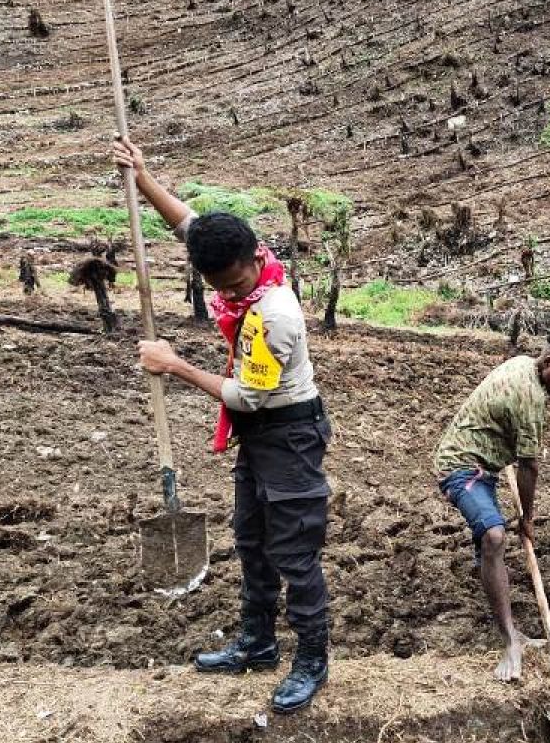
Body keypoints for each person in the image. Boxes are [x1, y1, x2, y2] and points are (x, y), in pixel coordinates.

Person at [113, 138, 332, 713]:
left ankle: (312, 659)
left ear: (258, 261)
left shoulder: (276, 315)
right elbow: (188, 223)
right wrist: (142, 177)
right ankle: (257, 643)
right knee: (251, 540)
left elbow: (247, 397)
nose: (229, 294)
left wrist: (175, 364)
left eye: (235, 286)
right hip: (258, 437)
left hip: (288, 430)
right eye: (218, 288)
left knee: (294, 552)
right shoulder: (228, 246)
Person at [433, 327, 550, 681]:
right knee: (493, 536)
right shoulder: (530, 398)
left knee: (488, 539)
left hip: (485, 466)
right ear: (548, 361)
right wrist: (527, 518)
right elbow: (529, 466)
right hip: (461, 467)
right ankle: (509, 641)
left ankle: (513, 632)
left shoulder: (524, 362)